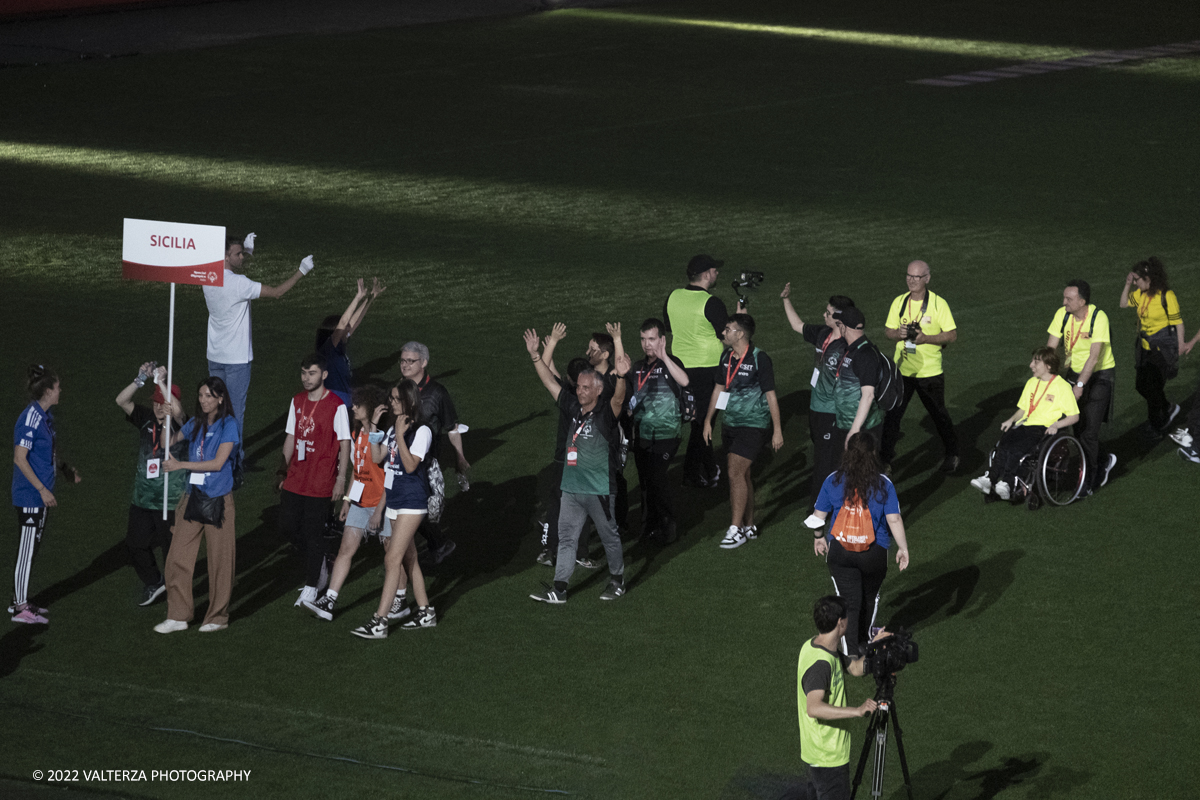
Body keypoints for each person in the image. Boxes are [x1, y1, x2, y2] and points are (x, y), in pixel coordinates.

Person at [523, 328, 630, 603]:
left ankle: (617, 581)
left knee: (609, 537)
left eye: (585, 388)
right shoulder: (573, 409)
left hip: (599, 489)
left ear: (598, 390)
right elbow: (550, 382)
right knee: (567, 538)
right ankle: (559, 589)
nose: (579, 392)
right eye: (579, 387)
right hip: (571, 487)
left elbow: (619, 398)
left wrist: (621, 376)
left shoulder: (606, 415)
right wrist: (536, 356)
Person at [203, 233, 313, 452]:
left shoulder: (208, 277)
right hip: (236, 359)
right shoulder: (239, 284)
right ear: (226, 257)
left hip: (215, 355)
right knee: (235, 413)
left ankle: (211, 453)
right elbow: (277, 293)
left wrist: (248, 251)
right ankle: (232, 463)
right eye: (239, 254)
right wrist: (302, 271)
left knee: (215, 409)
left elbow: (233, 273)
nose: (242, 257)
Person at [809, 433, 910, 658]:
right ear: (873, 454)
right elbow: (894, 519)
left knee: (848, 602)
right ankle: (863, 641)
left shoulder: (833, 480)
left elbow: (818, 515)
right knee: (869, 597)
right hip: (874, 553)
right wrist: (903, 548)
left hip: (840, 552)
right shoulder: (884, 483)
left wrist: (819, 537)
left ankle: (850, 652)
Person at [351, 380, 437, 638]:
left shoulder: (422, 431)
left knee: (392, 559)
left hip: (412, 502)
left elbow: (411, 466)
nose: (391, 403)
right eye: (391, 398)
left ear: (409, 400)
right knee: (409, 558)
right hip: (395, 501)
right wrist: (375, 427)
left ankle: (380, 621)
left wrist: (399, 435)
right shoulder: (391, 429)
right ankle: (425, 612)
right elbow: (377, 458)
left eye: (396, 399)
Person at [156, 377, 240, 633]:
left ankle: (217, 617)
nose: (203, 400)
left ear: (221, 399)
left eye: (209, 396)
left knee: (220, 562)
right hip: (191, 499)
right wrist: (164, 421)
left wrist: (181, 465)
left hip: (218, 500)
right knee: (176, 557)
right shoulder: (195, 423)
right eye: (201, 395)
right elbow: (165, 444)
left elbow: (217, 463)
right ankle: (178, 615)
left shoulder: (229, 425)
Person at [305, 386, 388, 621]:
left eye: (358, 405)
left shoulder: (380, 435)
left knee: (394, 555)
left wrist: (378, 512)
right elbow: (357, 469)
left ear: (369, 408)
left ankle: (400, 599)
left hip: (382, 503)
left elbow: (377, 462)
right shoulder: (355, 434)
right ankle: (330, 600)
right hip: (361, 503)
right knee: (345, 550)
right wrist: (348, 501)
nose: (353, 407)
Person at [702, 313, 783, 549]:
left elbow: (770, 395)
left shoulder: (760, 359)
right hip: (731, 425)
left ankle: (735, 529)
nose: (723, 333)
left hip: (753, 425)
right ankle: (749, 526)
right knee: (744, 475)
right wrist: (709, 420)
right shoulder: (727, 356)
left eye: (728, 329)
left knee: (734, 473)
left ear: (740, 334)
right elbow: (718, 389)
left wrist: (777, 429)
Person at [278, 354, 351, 609]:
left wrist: (340, 479)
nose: (306, 378)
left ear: (324, 375)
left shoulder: (336, 405)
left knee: (313, 532)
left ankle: (313, 586)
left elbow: (345, 443)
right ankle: (319, 560)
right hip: (296, 477)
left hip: (321, 479)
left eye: (311, 373)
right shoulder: (297, 401)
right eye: (303, 373)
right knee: (286, 526)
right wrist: (282, 469)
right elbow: (291, 436)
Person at [795, 595, 885, 800]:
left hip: (818, 754)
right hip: (827, 758)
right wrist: (857, 710)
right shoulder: (821, 664)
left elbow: (854, 668)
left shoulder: (818, 646)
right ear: (840, 623)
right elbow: (814, 708)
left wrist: (874, 647)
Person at [11, 365, 80, 625]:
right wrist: (41, 490)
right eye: (58, 387)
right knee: (26, 551)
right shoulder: (31, 419)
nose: (61, 390)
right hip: (30, 497)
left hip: (39, 496)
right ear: (49, 391)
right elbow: (20, 459)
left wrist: (63, 469)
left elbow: (45, 452)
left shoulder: (44, 416)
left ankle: (21, 600)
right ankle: (19, 607)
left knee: (32, 549)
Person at [114, 362, 187, 606]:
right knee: (135, 544)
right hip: (143, 498)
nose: (157, 406)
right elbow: (121, 401)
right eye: (154, 401)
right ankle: (155, 582)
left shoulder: (180, 424)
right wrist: (141, 379)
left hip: (170, 499)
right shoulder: (145, 418)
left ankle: (176, 591)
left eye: (161, 401)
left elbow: (177, 411)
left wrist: (162, 383)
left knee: (171, 551)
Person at [664, 254, 740, 489]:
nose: (717, 274)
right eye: (715, 270)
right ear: (706, 274)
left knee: (697, 422)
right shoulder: (712, 303)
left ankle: (708, 469)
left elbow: (669, 327)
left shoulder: (673, 297)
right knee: (703, 424)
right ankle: (691, 473)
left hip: (678, 370)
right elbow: (728, 337)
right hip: (708, 372)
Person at [880, 260, 960, 473]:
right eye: (909, 275)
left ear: (927, 278)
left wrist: (927, 339)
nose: (911, 280)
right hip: (902, 371)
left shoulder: (938, 304)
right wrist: (899, 334)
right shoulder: (899, 302)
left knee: (939, 415)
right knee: (892, 416)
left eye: (916, 277)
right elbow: (888, 331)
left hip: (929, 373)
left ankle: (952, 453)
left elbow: (951, 335)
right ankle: (884, 460)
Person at [969, 348, 1080, 501]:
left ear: (1048, 365)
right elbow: (1022, 409)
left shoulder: (1062, 387)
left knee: (1017, 449)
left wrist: (1056, 425)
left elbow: (1074, 416)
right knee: (1004, 446)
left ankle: (1007, 483)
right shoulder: (1031, 383)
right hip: (1024, 425)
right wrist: (1011, 419)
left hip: (1043, 429)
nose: (1031, 365)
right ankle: (990, 479)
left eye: (1036, 361)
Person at [782, 285, 857, 504]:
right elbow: (797, 325)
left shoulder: (849, 345)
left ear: (839, 318)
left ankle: (820, 508)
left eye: (827, 312)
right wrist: (786, 299)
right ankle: (834, 500)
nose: (824, 315)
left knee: (825, 461)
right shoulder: (822, 333)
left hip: (833, 411)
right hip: (815, 408)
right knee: (825, 456)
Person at [399, 342, 469, 566]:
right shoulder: (398, 390)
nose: (405, 365)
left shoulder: (437, 393)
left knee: (416, 512)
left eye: (411, 361)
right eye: (402, 360)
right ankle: (434, 545)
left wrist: (460, 457)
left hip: (424, 463)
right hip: (399, 459)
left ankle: (435, 546)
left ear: (424, 363)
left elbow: (452, 427)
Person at [1046, 280, 1118, 492]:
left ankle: (1090, 479)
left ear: (1082, 301)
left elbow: (1094, 357)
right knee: (1077, 427)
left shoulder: (1099, 318)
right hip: (1074, 371)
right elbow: (1051, 348)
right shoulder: (1063, 314)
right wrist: (1046, 376)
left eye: (1068, 299)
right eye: (1064, 297)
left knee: (1088, 432)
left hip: (1100, 376)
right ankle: (1102, 458)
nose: (1063, 302)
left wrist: (1079, 385)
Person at [626, 318, 690, 544]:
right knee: (645, 483)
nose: (646, 344)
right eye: (643, 339)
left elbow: (684, 381)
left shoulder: (671, 363)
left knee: (658, 479)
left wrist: (664, 357)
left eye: (651, 339)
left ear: (662, 340)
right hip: (642, 436)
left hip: (667, 436)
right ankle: (648, 527)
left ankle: (667, 526)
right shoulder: (637, 368)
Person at [1119, 257, 1185, 437]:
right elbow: (1123, 303)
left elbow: (1178, 323)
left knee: (1152, 386)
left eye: (1137, 280)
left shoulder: (1166, 295)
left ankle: (1158, 424)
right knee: (1141, 386)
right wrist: (1127, 285)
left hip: (1162, 349)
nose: (1135, 284)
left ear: (1148, 279)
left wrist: (1181, 345)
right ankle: (1167, 407)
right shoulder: (1140, 294)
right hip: (1145, 347)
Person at [315, 277, 386, 407]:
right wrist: (357, 297)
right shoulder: (329, 349)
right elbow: (343, 322)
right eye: (345, 327)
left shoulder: (339, 344)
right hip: (332, 401)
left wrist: (371, 297)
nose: (349, 327)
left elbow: (355, 321)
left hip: (343, 399)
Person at [830, 307, 885, 451]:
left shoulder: (865, 355)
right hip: (847, 424)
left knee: (862, 471)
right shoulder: (852, 348)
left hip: (862, 430)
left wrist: (854, 430)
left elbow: (868, 395)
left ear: (844, 327)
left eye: (839, 324)